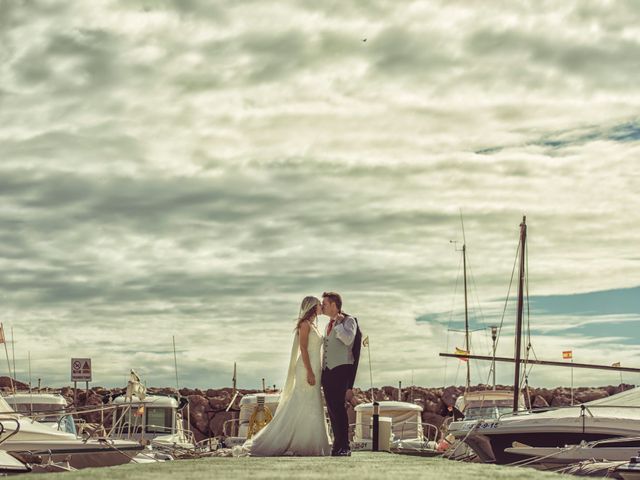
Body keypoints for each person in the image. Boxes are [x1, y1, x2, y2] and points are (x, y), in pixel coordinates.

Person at [244, 296, 331, 456]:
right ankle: (290, 441)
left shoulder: (314, 325)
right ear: (313, 307)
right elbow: (303, 349)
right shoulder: (304, 325)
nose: (321, 306)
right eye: (319, 304)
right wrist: (310, 372)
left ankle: (310, 442)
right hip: (306, 369)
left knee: (313, 403)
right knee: (302, 402)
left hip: (315, 369)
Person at [321, 291, 360, 457]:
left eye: (325, 304)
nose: (322, 306)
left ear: (333, 305)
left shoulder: (348, 320)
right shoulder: (327, 324)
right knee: (331, 409)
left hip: (341, 369)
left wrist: (338, 323)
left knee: (339, 408)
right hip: (328, 371)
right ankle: (337, 446)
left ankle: (345, 446)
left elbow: (348, 339)